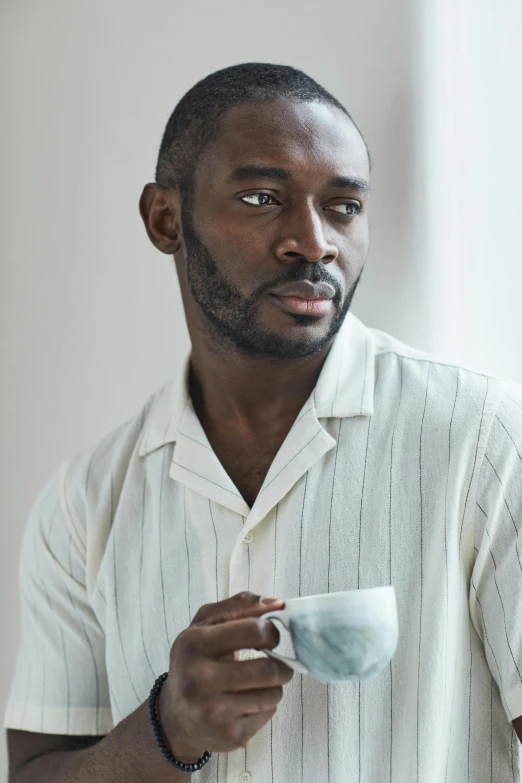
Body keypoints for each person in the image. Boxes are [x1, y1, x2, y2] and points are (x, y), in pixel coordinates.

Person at [4, 62, 522, 783]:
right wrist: (165, 728)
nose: (313, 242)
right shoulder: (83, 501)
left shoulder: (486, 439)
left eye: (343, 206)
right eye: (261, 197)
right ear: (164, 218)